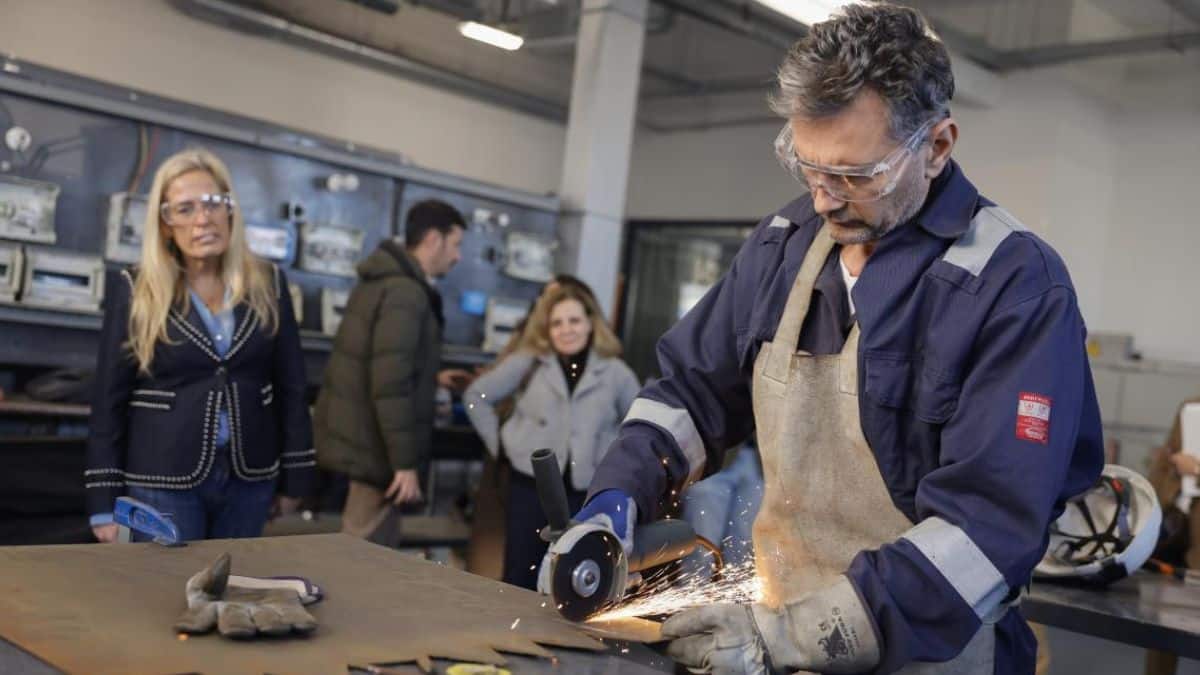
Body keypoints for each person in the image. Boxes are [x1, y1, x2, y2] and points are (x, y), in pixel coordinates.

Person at [545, 5, 1103, 673]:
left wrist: (788, 637)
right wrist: (615, 499)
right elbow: (691, 392)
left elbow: (985, 530)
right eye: (806, 167)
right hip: (773, 637)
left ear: (938, 146)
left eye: (854, 175)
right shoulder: (785, 245)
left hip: (929, 652)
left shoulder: (1015, 286)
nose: (823, 200)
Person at [86, 148, 314, 543]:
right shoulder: (135, 288)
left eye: (213, 203)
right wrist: (103, 500)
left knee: (235, 590)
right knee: (168, 597)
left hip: (250, 477)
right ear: (166, 222)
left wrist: (295, 477)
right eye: (185, 208)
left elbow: (292, 388)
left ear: (230, 210)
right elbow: (109, 400)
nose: (203, 219)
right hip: (162, 478)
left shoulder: (269, 283)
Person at [314, 200, 471, 547]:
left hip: (365, 441)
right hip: (378, 452)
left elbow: (382, 361)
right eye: (456, 244)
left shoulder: (383, 281)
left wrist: (432, 378)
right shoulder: (406, 293)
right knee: (366, 557)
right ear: (433, 239)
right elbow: (390, 384)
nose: (458, 256)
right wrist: (404, 464)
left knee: (360, 548)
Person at [465, 282, 639, 589]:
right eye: (557, 323)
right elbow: (475, 396)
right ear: (546, 328)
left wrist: (613, 463)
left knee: (573, 574)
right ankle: (511, 635)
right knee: (521, 570)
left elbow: (638, 426)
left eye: (574, 321)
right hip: (530, 487)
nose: (566, 330)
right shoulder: (528, 361)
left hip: (586, 491)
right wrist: (501, 445)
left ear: (590, 323)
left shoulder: (616, 373)